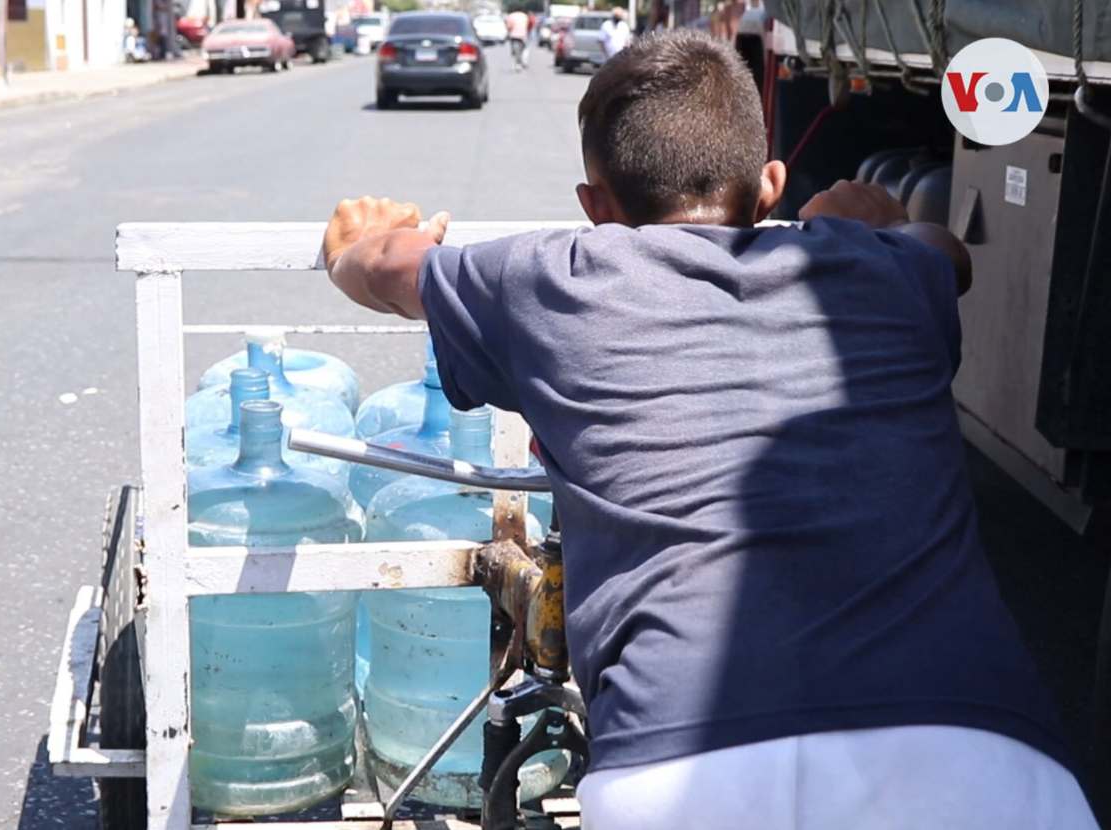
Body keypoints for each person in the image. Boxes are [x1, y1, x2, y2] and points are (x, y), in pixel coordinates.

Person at [320, 30, 1097, 830]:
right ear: (770, 188)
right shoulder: (880, 272)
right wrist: (865, 224)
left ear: (594, 209)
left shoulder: (545, 280)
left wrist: (358, 235)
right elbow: (946, 254)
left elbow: (382, 265)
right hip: (984, 760)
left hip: (679, 771)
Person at [505, 7, 531, 71]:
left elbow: (509, 26)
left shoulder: (511, 16)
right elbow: (528, 25)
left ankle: (517, 62)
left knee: (514, 50)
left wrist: (509, 31)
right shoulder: (525, 16)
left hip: (513, 35)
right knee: (525, 48)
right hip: (523, 35)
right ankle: (524, 61)